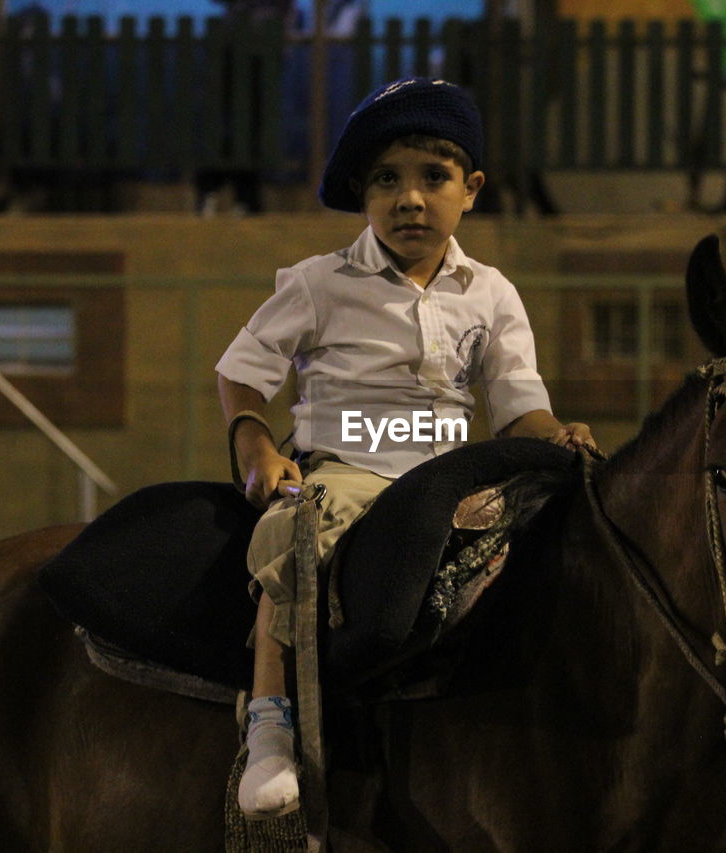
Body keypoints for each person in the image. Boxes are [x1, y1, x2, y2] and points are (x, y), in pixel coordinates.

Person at [215, 77, 596, 819]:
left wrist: (559, 437)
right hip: (350, 467)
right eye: (386, 180)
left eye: (433, 177)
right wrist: (255, 443)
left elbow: (518, 406)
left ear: (471, 189)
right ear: (364, 195)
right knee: (294, 537)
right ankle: (268, 725)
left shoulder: (491, 294)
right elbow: (240, 370)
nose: (409, 198)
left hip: (454, 477)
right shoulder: (319, 284)